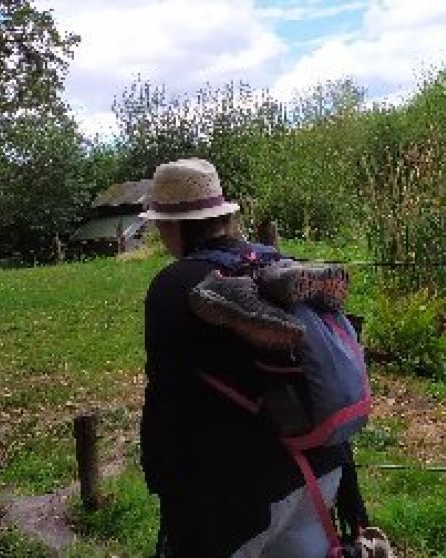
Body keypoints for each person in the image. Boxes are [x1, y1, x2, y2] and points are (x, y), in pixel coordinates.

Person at [139, 159, 348, 557]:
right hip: (319, 465)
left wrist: (165, 482)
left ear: (170, 225)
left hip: (237, 490)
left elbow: (167, 399)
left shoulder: (173, 285)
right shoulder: (271, 259)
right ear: (221, 217)